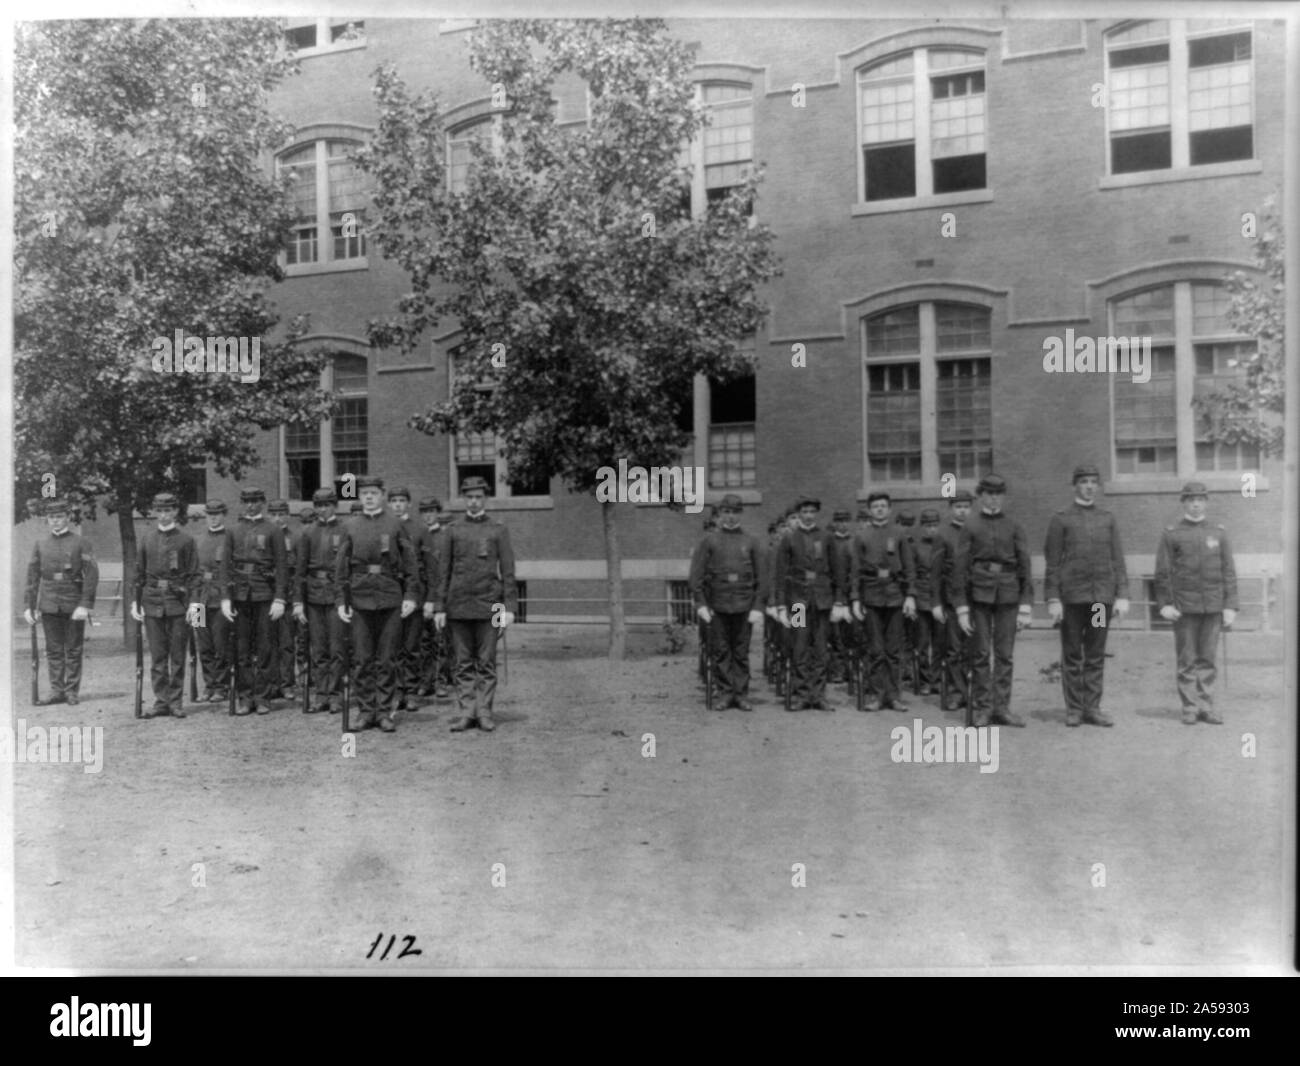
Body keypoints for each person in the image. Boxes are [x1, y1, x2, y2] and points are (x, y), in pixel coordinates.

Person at [1043, 463, 1130, 727]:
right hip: (1072, 600)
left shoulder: (1107, 518)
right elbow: (1053, 561)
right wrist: (1053, 598)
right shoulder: (1061, 519)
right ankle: (1074, 709)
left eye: (1093, 481)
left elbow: (1117, 559)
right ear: (1075, 486)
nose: (1089, 486)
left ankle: (1092, 707)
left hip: (1099, 602)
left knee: (1095, 653)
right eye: (1084, 482)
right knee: (1072, 654)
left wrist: (1122, 594)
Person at [433, 477, 518, 733]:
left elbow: (508, 570)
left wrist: (510, 608)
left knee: (487, 662)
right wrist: (439, 607)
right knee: (462, 662)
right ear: (464, 499)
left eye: (478, 497)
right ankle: (466, 711)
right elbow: (443, 572)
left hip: (490, 605)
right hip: (458, 605)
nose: (473, 501)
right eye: (469, 497)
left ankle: (484, 712)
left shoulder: (498, 530)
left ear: (485, 499)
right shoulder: (453, 530)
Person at [336, 476, 418, 732]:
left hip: (389, 597)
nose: (369, 497)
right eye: (364, 494)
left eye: (373, 493)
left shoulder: (395, 525)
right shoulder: (350, 526)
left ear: (382, 495)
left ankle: (384, 712)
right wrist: (341, 600)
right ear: (359, 497)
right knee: (362, 659)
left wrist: (411, 596)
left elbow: (411, 564)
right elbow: (340, 567)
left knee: (387, 658)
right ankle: (365, 710)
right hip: (360, 598)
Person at [1154, 482, 1239, 726]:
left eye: (1200, 499)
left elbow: (1228, 571)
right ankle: (1190, 707)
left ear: (1206, 502)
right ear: (1183, 503)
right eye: (1190, 499)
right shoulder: (1171, 533)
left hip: (1213, 607)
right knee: (1187, 659)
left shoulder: (1219, 532)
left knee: (1209, 660)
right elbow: (1163, 572)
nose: (1195, 503)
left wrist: (1230, 606)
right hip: (1184, 608)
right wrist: (1165, 604)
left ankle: (1206, 706)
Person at [951, 474, 1032, 728]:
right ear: (981, 495)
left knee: (1005, 654)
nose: (994, 497)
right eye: (989, 493)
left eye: (998, 493)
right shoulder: (971, 526)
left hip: (1008, 594)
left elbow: (1025, 565)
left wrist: (1026, 604)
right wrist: (962, 608)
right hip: (979, 596)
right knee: (981, 653)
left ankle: (1002, 708)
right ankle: (984, 707)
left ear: (1003, 496)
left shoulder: (1014, 525)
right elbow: (960, 569)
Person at [690, 494, 767, 711]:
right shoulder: (709, 541)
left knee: (741, 652)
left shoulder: (751, 542)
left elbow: (762, 577)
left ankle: (741, 694)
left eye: (734, 512)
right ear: (720, 514)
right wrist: (701, 605)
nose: (730, 517)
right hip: (717, 605)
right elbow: (696, 576)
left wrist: (758, 607)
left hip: (744, 605)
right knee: (721, 651)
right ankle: (724, 693)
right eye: (726, 512)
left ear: (740, 513)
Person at [773, 494, 849, 711]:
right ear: (798, 515)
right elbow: (779, 574)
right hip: (797, 602)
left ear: (817, 513)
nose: (808, 516)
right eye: (804, 512)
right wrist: (780, 605)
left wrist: (839, 602)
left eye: (811, 512)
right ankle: (801, 694)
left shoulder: (827, 538)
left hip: (823, 601)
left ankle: (818, 694)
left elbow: (838, 573)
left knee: (821, 648)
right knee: (800, 646)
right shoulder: (789, 539)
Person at [130, 492, 203, 718]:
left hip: (178, 604)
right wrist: (135, 602)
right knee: (158, 655)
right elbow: (139, 574)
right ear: (154, 512)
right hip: (152, 603)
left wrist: (195, 608)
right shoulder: (146, 539)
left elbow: (195, 576)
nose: (163, 515)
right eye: (159, 511)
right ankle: (161, 701)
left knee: (178, 655)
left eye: (168, 510)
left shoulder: (186, 540)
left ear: (175, 512)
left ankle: (175, 702)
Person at [24, 498, 98, 705]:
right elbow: (32, 577)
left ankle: (71, 690)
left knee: (73, 649)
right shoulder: (40, 544)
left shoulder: (80, 542)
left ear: (67, 518)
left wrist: (85, 604)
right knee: (53, 649)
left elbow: (91, 574)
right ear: (47, 520)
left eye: (59, 517)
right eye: (51, 518)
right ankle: (57, 691)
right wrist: (29, 606)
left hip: (74, 603)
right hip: (48, 602)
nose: (55, 521)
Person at [850, 491, 917, 711]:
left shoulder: (899, 535)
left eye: (883, 506)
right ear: (869, 510)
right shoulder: (862, 536)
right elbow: (855, 571)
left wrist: (910, 596)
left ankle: (894, 695)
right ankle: (876, 695)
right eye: (875, 506)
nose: (879, 509)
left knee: (894, 650)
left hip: (895, 595)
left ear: (889, 509)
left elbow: (909, 568)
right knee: (875, 649)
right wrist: (855, 599)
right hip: (871, 596)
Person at [229, 487, 288, 716]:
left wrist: (280, 598)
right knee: (242, 649)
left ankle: (263, 697)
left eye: (255, 501)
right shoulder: (233, 531)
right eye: (246, 501)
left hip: (265, 594)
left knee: (264, 648)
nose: (251, 505)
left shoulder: (273, 530)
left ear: (263, 502)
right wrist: (226, 599)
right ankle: (245, 697)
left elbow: (282, 567)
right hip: (240, 596)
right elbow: (226, 566)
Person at [294, 488, 349, 714]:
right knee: (318, 649)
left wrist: (345, 598)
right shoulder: (308, 533)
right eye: (318, 505)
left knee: (337, 647)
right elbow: (300, 570)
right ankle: (321, 693)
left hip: (336, 595)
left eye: (326, 505)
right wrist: (298, 602)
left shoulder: (346, 530)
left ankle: (336, 695)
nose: (322, 509)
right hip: (314, 596)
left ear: (334, 506)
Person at [387, 485, 431, 711]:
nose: (397, 504)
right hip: (392, 591)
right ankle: (396, 691)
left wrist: (429, 599)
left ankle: (411, 691)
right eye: (393, 500)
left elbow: (429, 566)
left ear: (409, 504)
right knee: (392, 646)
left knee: (412, 646)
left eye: (401, 500)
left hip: (414, 592)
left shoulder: (420, 529)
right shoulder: (385, 526)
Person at [930, 489, 973, 712]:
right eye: (958, 506)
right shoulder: (943, 535)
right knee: (954, 649)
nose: (962, 510)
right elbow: (935, 573)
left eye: (966, 506)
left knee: (976, 648)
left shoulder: (977, 532)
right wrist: (936, 602)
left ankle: (976, 691)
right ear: (951, 509)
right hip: (953, 600)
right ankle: (958, 693)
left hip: (976, 598)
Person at [194, 500, 236, 703]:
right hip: (199, 599)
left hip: (220, 599)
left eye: (217, 513)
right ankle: (208, 686)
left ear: (224, 514)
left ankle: (222, 686)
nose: (213, 517)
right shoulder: (198, 540)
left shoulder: (230, 538)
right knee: (203, 644)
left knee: (221, 643)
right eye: (210, 513)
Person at [416, 497, 452, 699]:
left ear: (438, 512)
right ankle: (425, 680)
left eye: (431, 511)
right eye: (424, 511)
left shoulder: (445, 537)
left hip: (439, 594)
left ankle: (440, 681)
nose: (428, 515)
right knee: (422, 641)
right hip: (422, 595)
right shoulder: (418, 535)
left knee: (440, 640)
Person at [911, 509, 942, 695]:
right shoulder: (915, 547)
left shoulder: (943, 545)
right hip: (922, 599)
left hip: (939, 599)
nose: (932, 529)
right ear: (922, 527)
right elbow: (912, 573)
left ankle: (936, 679)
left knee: (939, 643)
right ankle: (923, 680)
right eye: (928, 526)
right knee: (922, 643)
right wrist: (913, 598)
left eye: (934, 525)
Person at [826, 510, 855, 685]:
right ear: (834, 523)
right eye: (839, 520)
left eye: (846, 520)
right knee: (834, 634)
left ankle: (850, 669)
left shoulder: (854, 542)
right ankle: (837, 669)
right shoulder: (829, 542)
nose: (843, 524)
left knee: (851, 634)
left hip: (851, 595)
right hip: (833, 595)